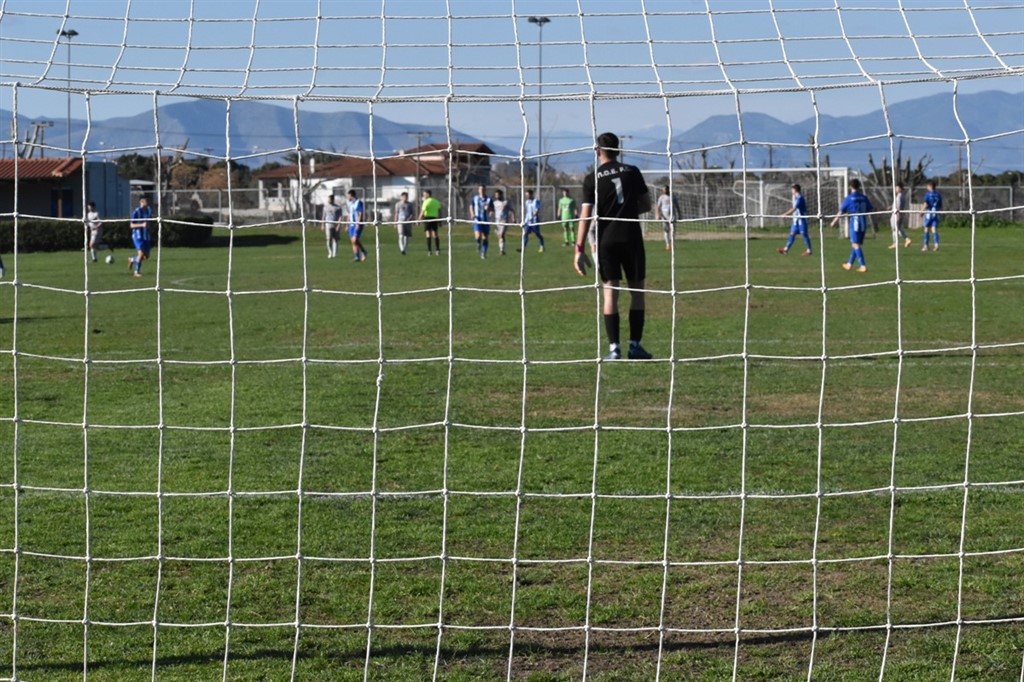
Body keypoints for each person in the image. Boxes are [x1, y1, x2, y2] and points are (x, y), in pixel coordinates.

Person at [573, 131, 652, 360]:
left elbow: (586, 216)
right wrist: (626, 212)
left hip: (606, 240)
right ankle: (635, 346)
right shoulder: (632, 171)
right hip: (631, 237)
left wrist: (579, 249)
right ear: (618, 149)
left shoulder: (592, 178)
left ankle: (614, 349)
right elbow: (646, 204)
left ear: (597, 151)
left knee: (610, 294)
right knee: (637, 293)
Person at [830, 178, 873, 273]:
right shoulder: (864, 197)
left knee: (855, 244)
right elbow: (869, 209)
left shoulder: (849, 198)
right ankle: (849, 264)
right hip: (863, 222)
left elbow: (841, 211)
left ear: (850, 186)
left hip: (855, 222)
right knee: (857, 244)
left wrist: (834, 221)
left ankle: (863, 265)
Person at [777, 184, 812, 256]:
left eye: (792, 189)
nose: (791, 191)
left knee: (804, 234)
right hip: (796, 220)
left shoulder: (800, 198)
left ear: (795, 190)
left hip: (802, 219)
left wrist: (785, 214)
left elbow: (794, 209)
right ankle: (786, 249)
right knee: (792, 234)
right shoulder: (795, 198)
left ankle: (809, 250)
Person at [127, 196, 152, 278]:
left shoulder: (148, 210)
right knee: (141, 254)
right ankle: (136, 272)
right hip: (138, 235)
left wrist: (148, 226)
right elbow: (131, 225)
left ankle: (132, 259)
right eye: (146, 201)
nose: (147, 203)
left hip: (146, 235)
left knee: (146, 256)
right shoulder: (137, 212)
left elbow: (148, 222)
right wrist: (142, 225)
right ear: (141, 202)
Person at [470, 184, 493, 258]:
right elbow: (471, 206)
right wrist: (472, 214)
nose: (482, 191)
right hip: (477, 219)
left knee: (485, 237)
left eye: (483, 189)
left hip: (485, 220)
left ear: (485, 190)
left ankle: (483, 253)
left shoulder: (489, 199)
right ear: (478, 190)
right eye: (480, 189)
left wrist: (490, 212)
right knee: (478, 235)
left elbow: (492, 209)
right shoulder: (475, 198)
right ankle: (478, 243)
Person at [419, 188, 442, 256]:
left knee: (428, 234)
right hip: (434, 218)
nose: (423, 196)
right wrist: (440, 220)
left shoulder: (426, 202)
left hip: (427, 218)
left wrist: (418, 220)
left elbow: (422, 211)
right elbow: (439, 211)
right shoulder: (436, 201)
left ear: (428, 194)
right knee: (435, 234)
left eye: (424, 194)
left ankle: (429, 251)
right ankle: (437, 250)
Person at [520, 189, 544, 253]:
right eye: (526, 195)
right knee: (525, 233)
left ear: (531, 194)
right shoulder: (527, 202)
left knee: (537, 234)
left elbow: (537, 210)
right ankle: (523, 248)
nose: (527, 196)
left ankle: (541, 246)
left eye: (528, 195)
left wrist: (533, 217)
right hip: (528, 221)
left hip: (534, 221)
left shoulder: (535, 201)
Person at [491, 189, 514, 256]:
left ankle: (501, 250)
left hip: (504, 220)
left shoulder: (505, 202)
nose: (496, 196)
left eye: (498, 195)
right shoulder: (494, 203)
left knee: (501, 234)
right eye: (496, 195)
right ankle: (502, 249)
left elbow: (512, 210)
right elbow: (492, 210)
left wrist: (513, 218)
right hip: (497, 220)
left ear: (501, 195)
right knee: (500, 236)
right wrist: (491, 213)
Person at [656, 186, 679, 251]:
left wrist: (680, 214)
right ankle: (667, 244)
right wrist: (657, 215)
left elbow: (677, 206)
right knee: (666, 230)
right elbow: (658, 207)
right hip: (664, 217)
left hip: (672, 216)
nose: (664, 191)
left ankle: (673, 243)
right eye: (663, 190)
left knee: (673, 230)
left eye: (665, 189)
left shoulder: (673, 197)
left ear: (668, 189)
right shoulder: (661, 197)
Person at [347, 189, 367, 262]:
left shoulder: (358, 202)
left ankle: (363, 251)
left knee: (355, 240)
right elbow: (349, 214)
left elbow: (360, 213)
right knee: (353, 241)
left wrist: (358, 223)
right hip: (351, 225)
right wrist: (347, 224)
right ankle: (356, 256)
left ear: (351, 195)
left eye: (348, 196)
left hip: (357, 224)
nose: (347, 197)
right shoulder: (350, 204)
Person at [889, 182, 912, 249]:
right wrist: (891, 207)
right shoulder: (901, 196)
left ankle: (896, 242)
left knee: (894, 228)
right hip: (899, 214)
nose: (896, 189)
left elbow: (898, 205)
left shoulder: (899, 196)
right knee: (897, 229)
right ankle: (906, 239)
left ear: (900, 189)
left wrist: (897, 213)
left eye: (897, 188)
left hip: (896, 214)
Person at [922, 181, 942, 252]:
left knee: (926, 228)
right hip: (936, 213)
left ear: (930, 186)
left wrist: (921, 211)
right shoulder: (938, 195)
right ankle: (936, 245)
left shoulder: (928, 194)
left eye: (927, 186)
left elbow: (926, 204)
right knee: (934, 229)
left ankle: (926, 246)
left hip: (929, 213)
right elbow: (940, 205)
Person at [322, 194, 343, 258]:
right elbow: (323, 216)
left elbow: (340, 217)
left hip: (335, 224)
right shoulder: (325, 207)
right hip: (328, 224)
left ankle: (334, 253)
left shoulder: (338, 207)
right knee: (329, 239)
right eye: (328, 199)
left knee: (335, 239)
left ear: (333, 199)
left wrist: (338, 225)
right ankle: (330, 252)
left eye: (330, 199)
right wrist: (322, 225)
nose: (329, 200)